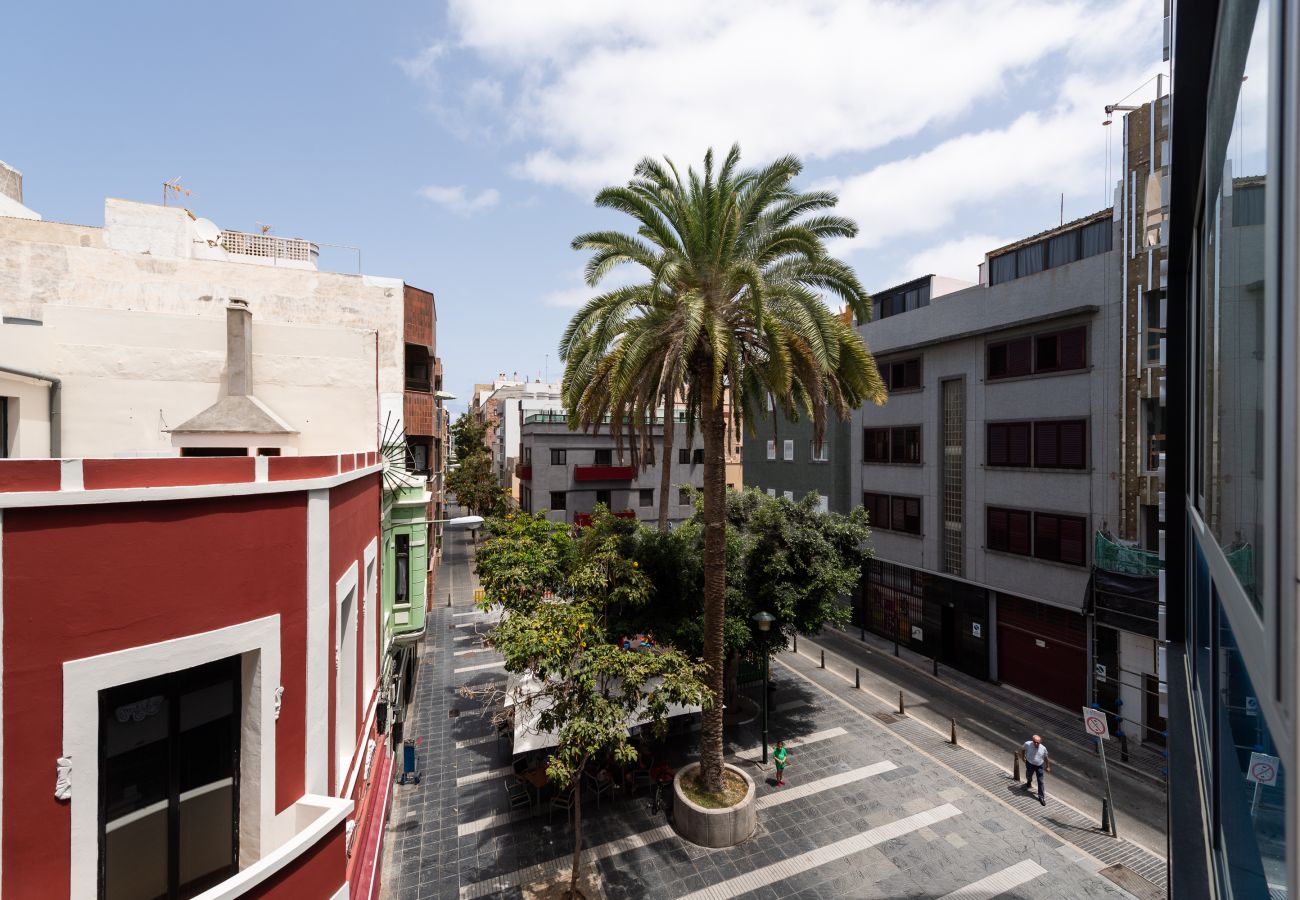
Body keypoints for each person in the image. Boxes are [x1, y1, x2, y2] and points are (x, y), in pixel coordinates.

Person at [1020, 734, 1051, 805]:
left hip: (1039, 765)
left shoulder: (1043, 748)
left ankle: (1041, 797)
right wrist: (1023, 757)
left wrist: (1048, 766)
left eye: (1038, 742)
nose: (1036, 744)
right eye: (1035, 742)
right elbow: (1023, 749)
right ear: (1032, 741)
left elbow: (1046, 758)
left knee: (1040, 781)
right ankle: (1029, 781)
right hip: (1029, 763)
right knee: (1028, 775)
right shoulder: (1027, 744)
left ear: (1040, 742)